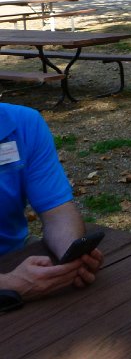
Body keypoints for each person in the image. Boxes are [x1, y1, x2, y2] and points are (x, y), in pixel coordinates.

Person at [0, 103, 103, 309]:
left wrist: (72, 255)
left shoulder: (23, 124)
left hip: (13, 254)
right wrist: (8, 285)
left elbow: (57, 211)